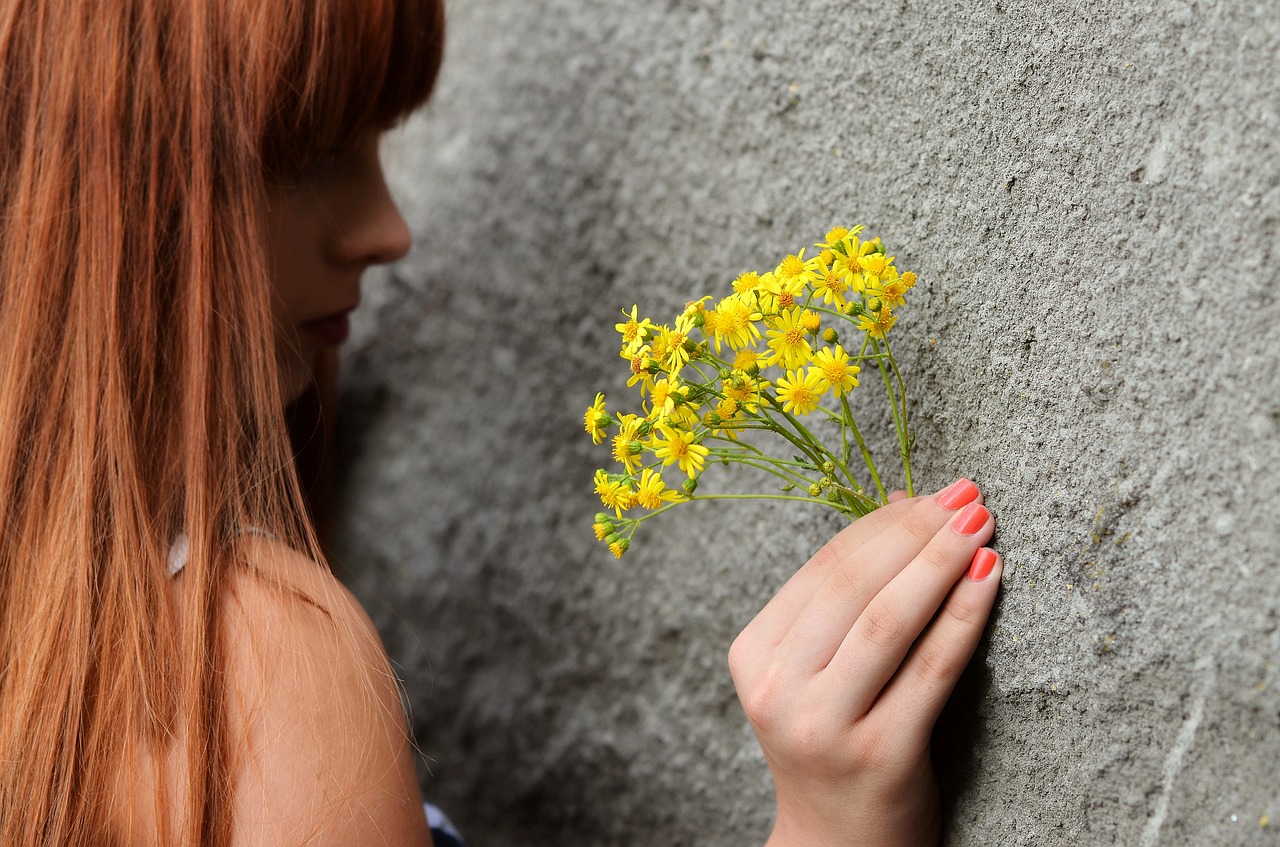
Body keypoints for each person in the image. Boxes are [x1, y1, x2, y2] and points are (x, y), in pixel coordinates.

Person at [0, 1, 1001, 845]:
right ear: (98, 193)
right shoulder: (252, 664)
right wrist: (832, 820)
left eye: (376, 143)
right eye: (310, 153)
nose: (386, 228)